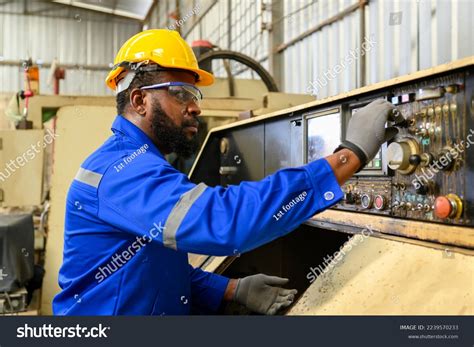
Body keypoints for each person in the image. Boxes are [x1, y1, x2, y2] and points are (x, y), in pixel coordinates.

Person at [53, 29, 397, 315]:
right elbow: (224, 221)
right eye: (181, 93)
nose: (196, 107)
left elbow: (156, 270)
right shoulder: (122, 171)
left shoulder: (141, 161)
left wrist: (233, 288)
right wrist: (347, 158)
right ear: (140, 100)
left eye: (195, 93)